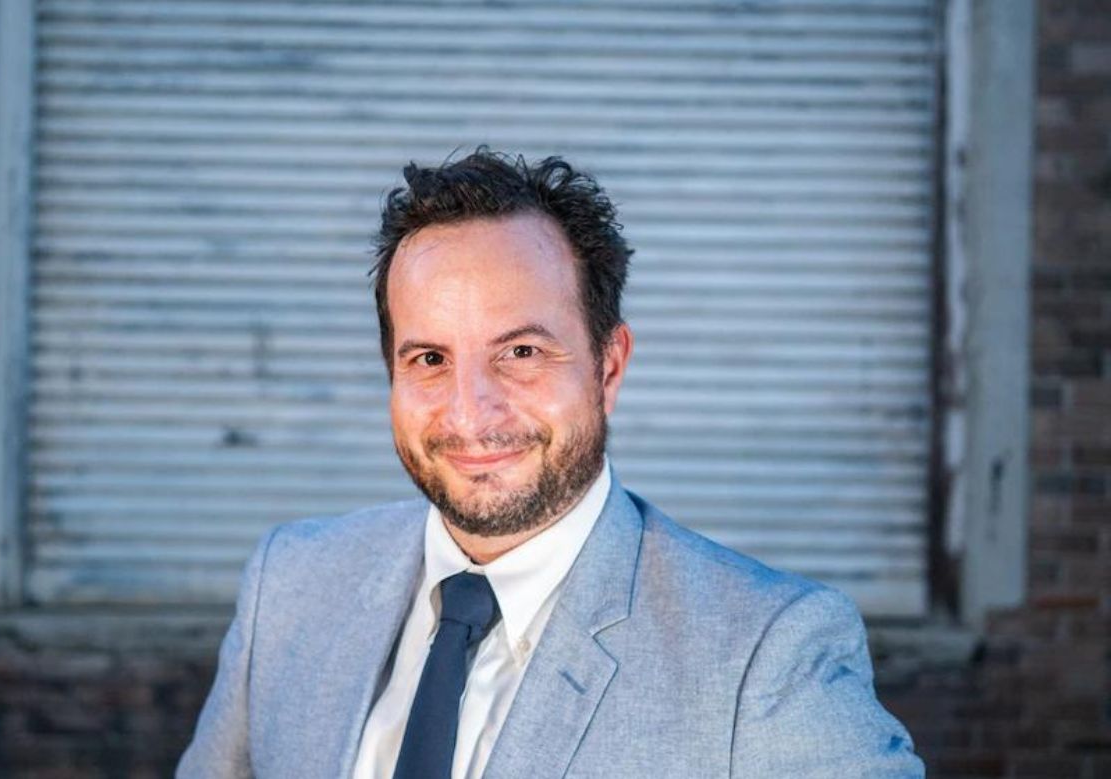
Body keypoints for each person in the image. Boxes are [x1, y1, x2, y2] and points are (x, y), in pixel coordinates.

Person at [178, 149, 924, 778]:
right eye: (430, 358)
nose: (470, 414)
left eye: (522, 351)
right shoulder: (291, 585)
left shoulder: (766, 656)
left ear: (608, 364)